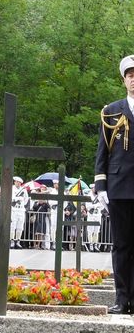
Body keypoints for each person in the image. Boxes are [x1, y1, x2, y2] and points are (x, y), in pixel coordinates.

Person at [94, 55, 134, 314]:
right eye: (130, 76)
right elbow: (102, 151)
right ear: (124, 80)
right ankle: (122, 299)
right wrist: (100, 185)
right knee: (121, 245)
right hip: (120, 185)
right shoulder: (112, 111)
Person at [10, 177, 29, 249]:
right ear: (14, 182)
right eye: (16, 182)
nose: (17, 183)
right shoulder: (12, 188)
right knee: (12, 226)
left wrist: (21, 201)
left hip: (21, 209)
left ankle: (18, 241)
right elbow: (11, 198)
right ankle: (11, 241)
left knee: (20, 227)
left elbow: (26, 200)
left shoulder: (23, 190)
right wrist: (16, 199)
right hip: (14, 209)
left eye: (19, 182)